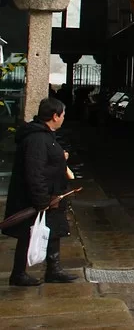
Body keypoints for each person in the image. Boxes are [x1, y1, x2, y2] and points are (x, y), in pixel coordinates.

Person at [2, 97, 78, 286]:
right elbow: (34, 170)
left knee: (53, 230)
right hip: (39, 196)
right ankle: (18, 273)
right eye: (63, 115)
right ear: (55, 116)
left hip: (52, 193)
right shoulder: (37, 138)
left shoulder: (47, 135)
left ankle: (53, 269)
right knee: (28, 233)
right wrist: (42, 199)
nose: (63, 118)